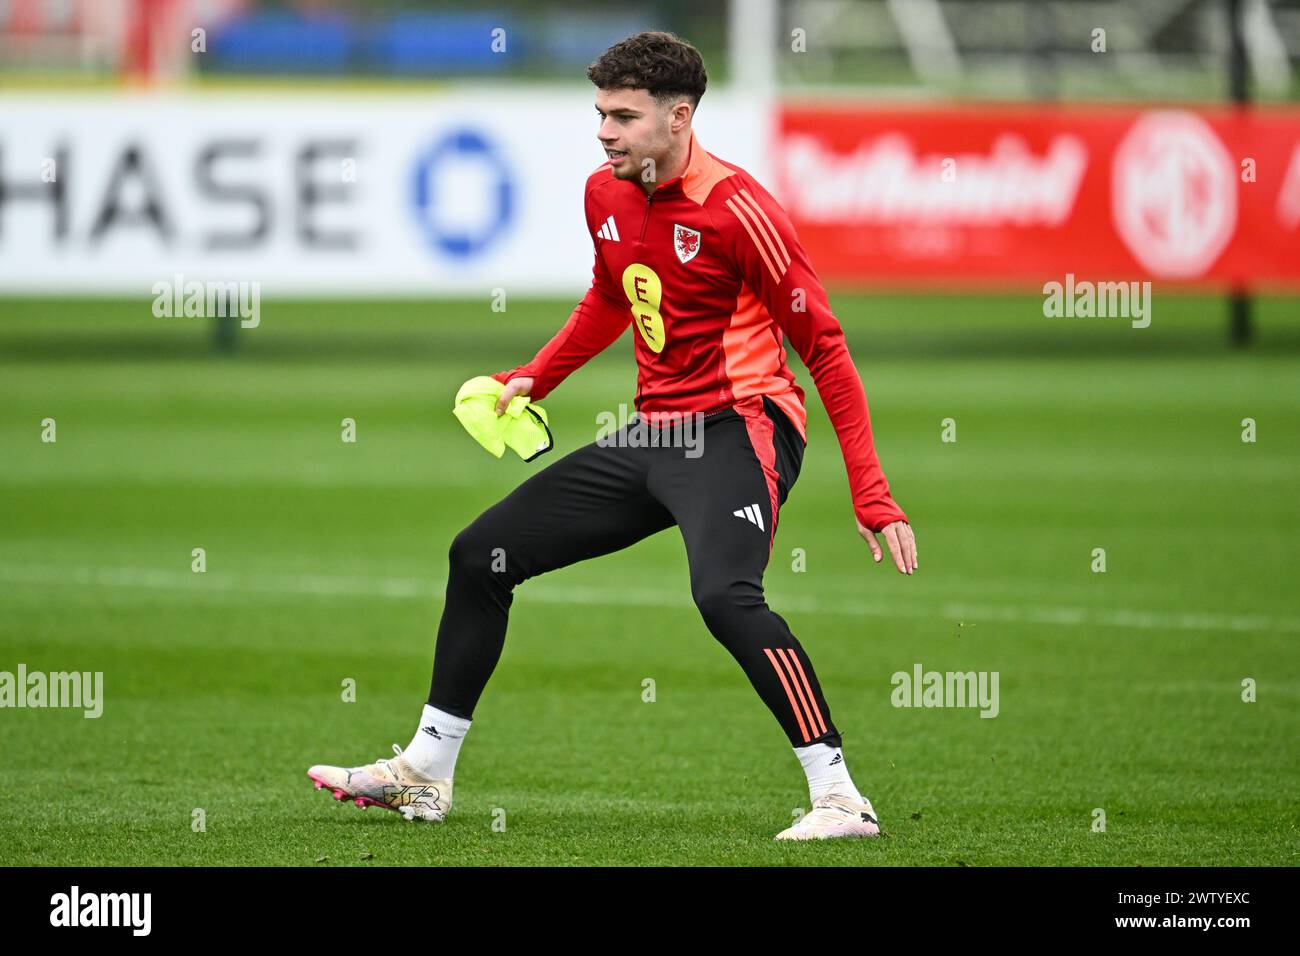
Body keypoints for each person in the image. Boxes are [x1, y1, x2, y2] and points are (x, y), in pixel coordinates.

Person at [308, 31, 917, 841]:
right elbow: (610, 296)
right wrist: (535, 376)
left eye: (623, 116)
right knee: (480, 555)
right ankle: (426, 773)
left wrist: (871, 493)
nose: (605, 131)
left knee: (724, 597)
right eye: (600, 113)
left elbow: (827, 350)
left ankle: (842, 799)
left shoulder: (742, 212)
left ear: (680, 116)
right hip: (655, 433)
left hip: (742, 427)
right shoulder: (607, 192)